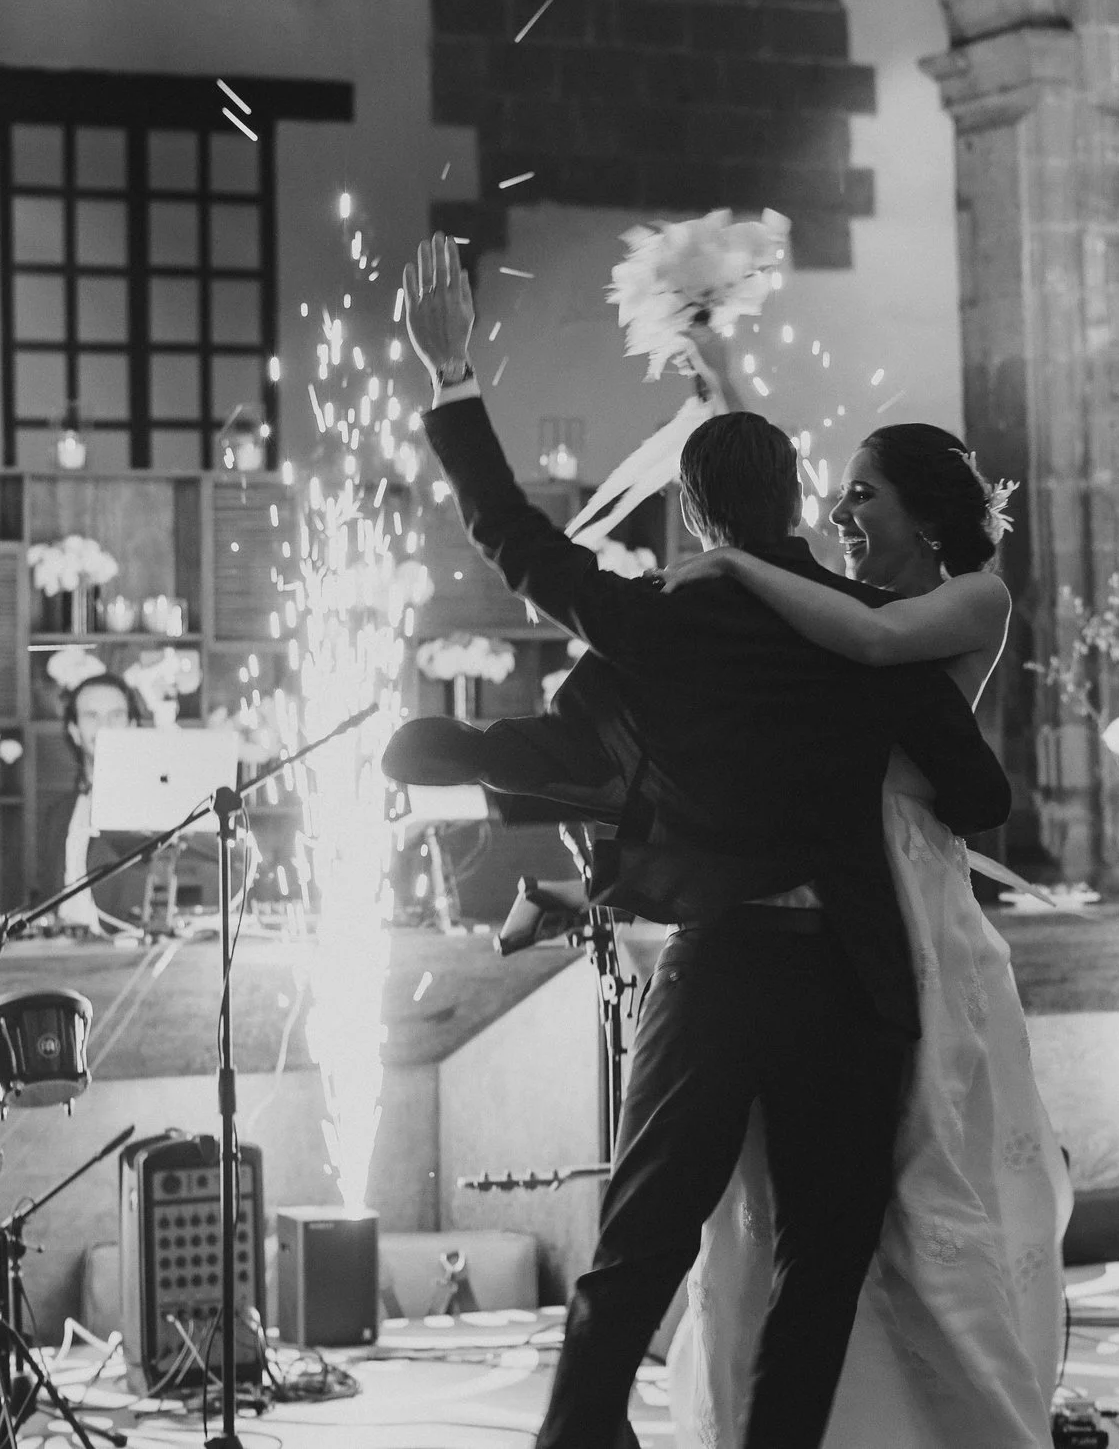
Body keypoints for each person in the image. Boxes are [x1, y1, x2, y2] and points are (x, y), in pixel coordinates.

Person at [399, 232, 1016, 1449]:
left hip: (722, 966)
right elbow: (980, 796)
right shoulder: (864, 627)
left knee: (641, 1239)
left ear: (691, 511)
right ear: (796, 504)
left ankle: (579, 1434)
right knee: (824, 1252)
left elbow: (514, 538)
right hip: (849, 972)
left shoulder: (662, 625)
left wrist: (451, 373)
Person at [653, 421, 1069, 1448]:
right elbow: (835, 611)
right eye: (835, 493)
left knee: (917, 1164)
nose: (841, 513)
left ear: (926, 515)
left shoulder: (975, 597)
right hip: (827, 881)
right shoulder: (835, 602)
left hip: (908, 891)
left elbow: (875, 640)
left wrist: (736, 560)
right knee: (790, 1184)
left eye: (863, 494)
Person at [39, 671, 155, 932]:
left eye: (116, 715)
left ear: (132, 725)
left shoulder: (154, 806)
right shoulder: (57, 813)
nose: (105, 725)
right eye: (92, 716)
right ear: (74, 731)